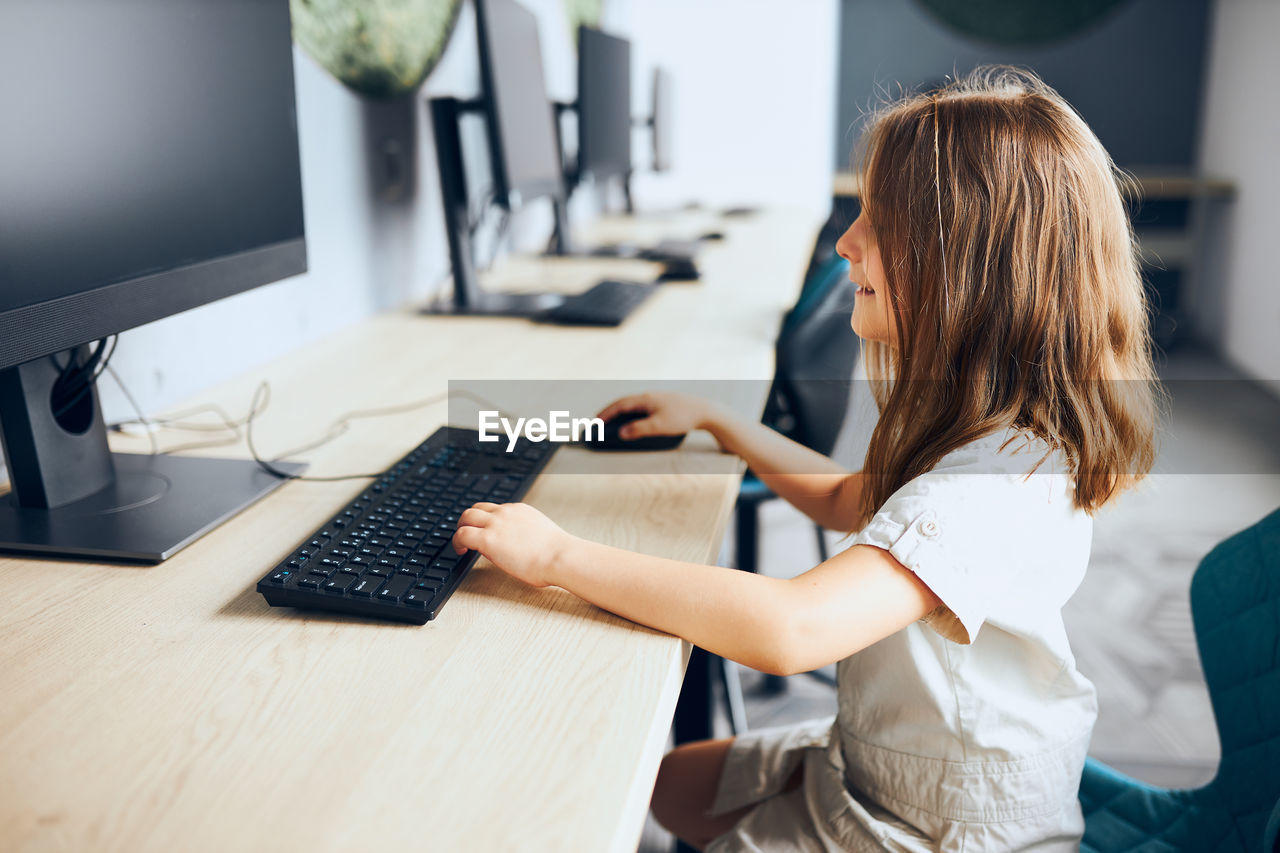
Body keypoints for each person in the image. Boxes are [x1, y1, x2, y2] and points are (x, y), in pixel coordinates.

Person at [451, 66, 1159, 851]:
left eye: (877, 220)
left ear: (967, 267)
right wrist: (723, 423)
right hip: (886, 759)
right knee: (660, 784)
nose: (845, 240)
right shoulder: (978, 420)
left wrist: (557, 552)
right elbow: (851, 497)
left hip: (942, 824)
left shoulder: (992, 487)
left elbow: (790, 629)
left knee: (610, 800)